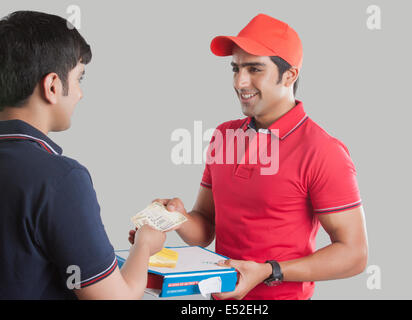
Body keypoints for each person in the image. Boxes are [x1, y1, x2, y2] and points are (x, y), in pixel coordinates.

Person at [136, 13, 368, 300]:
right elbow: (206, 227)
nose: (240, 82)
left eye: (254, 69)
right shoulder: (224, 135)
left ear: (290, 75)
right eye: (236, 68)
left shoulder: (323, 150)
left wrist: (270, 270)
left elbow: (354, 254)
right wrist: (178, 218)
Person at [0, 10, 166, 299]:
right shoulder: (60, 179)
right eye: (79, 78)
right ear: (52, 86)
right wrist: (144, 245)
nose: (79, 93)